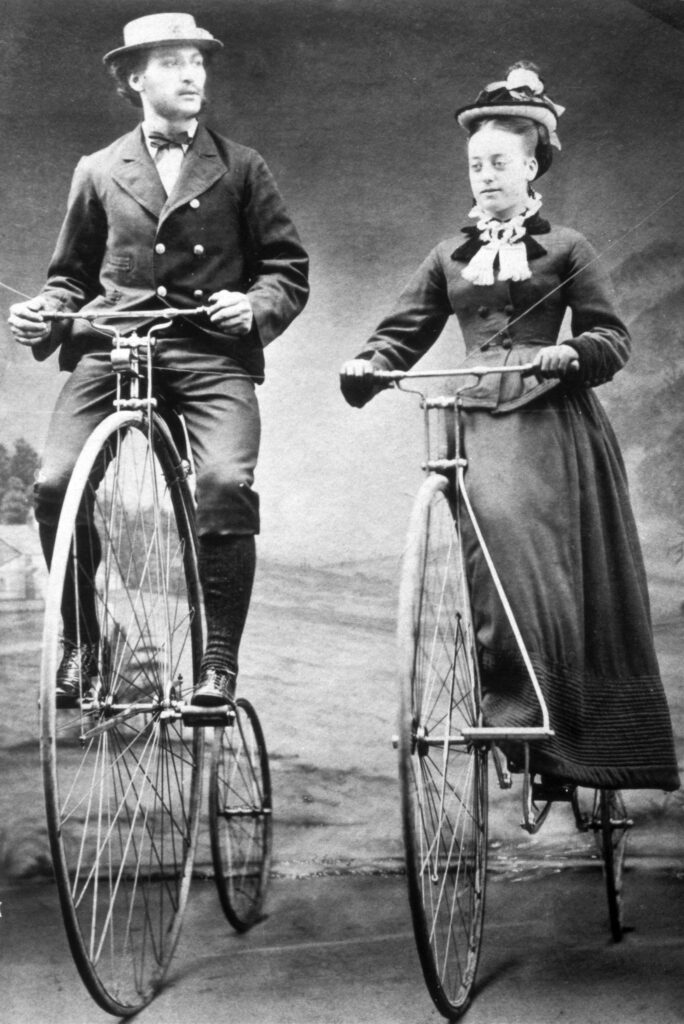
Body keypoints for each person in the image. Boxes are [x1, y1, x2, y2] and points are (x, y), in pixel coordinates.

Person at [340, 62, 679, 791]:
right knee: (486, 553)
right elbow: (403, 331)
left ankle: (552, 725)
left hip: (552, 428)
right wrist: (369, 363)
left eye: (499, 163)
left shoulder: (568, 248)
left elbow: (611, 339)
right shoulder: (450, 257)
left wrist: (572, 352)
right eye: (475, 166)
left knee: (536, 563)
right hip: (476, 424)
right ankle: (516, 717)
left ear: (531, 166)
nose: (486, 176)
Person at [8, 12, 309, 707]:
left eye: (198, 61)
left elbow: (287, 271)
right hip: (113, 349)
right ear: (134, 78)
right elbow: (70, 280)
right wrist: (42, 317)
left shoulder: (241, 167)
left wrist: (253, 308)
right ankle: (85, 642)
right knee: (53, 486)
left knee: (226, 483)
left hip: (208, 354)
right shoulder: (97, 170)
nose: (191, 74)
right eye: (172, 62)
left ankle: (218, 665)